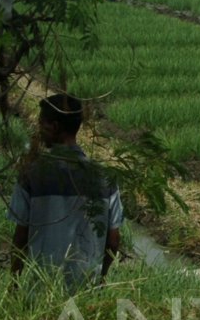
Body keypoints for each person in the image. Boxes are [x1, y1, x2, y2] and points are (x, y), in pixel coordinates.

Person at [9, 93, 123, 291]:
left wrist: (15, 282)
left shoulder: (32, 175)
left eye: (41, 123)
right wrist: (102, 277)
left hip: (42, 290)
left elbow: (21, 237)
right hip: (88, 290)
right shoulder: (105, 178)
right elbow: (113, 241)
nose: (39, 130)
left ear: (54, 127)